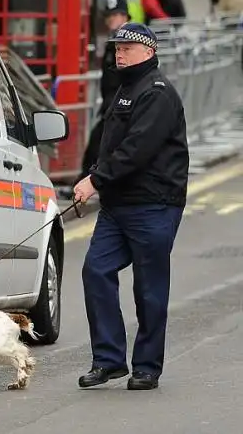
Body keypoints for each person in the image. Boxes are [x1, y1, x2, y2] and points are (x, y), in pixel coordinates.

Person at [73, 23, 189, 391]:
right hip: (118, 205)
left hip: (153, 205)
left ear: (148, 52)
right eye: (117, 48)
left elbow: (137, 149)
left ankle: (147, 367)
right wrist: (95, 175)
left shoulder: (157, 93)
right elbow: (111, 146)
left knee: (149, 288)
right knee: (96, 271)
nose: (119, 54)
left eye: (126, 49)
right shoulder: (125, 89)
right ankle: (108, 360)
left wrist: (94, 180)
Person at [75, 0, 129, 185]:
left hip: (120, 107)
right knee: (98, 147)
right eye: (108, 16)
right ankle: (86, 183)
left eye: (114, 16)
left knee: (101, 147)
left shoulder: (129, 44)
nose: (110, 20)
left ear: (124, 16)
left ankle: (87, 184)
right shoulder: (113, 43)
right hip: (110, 106)